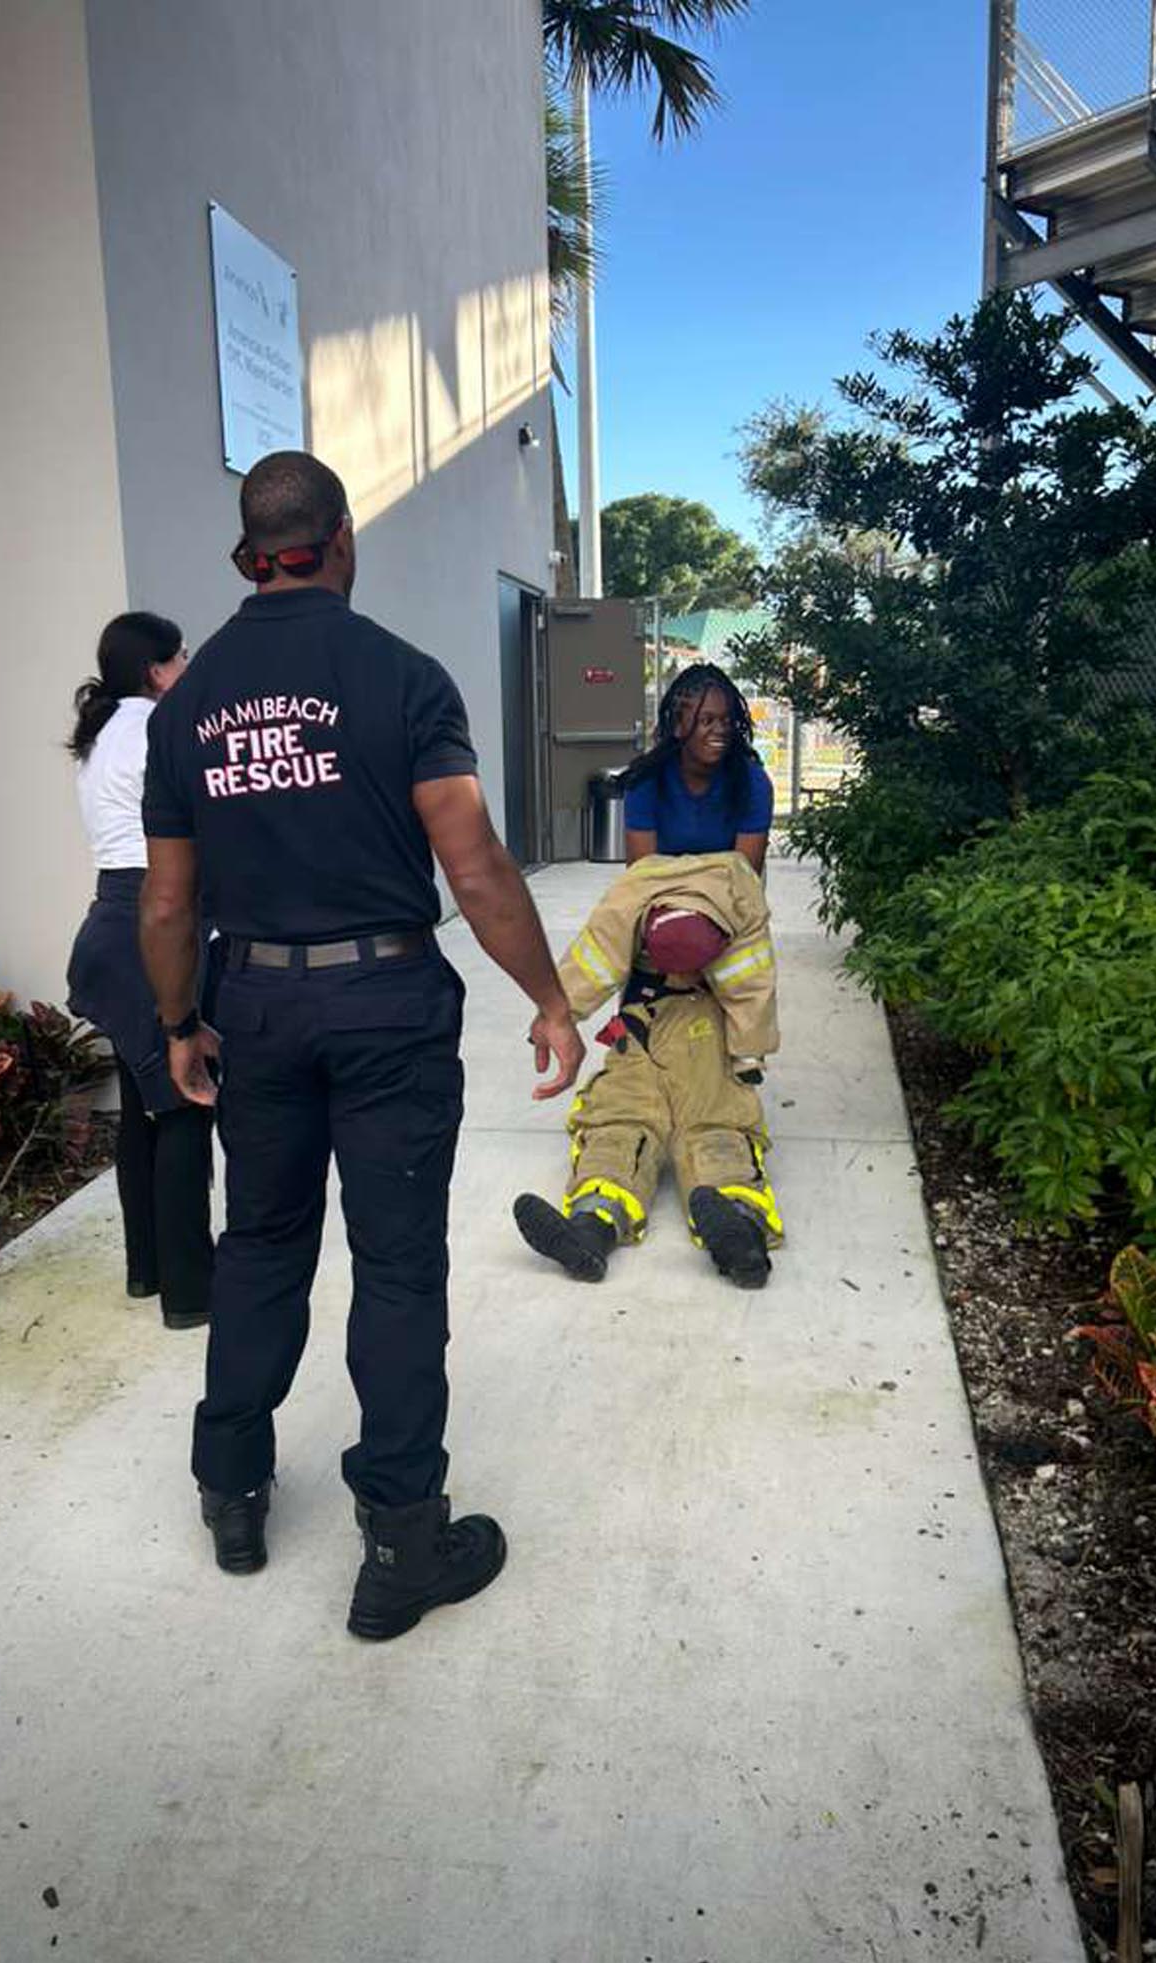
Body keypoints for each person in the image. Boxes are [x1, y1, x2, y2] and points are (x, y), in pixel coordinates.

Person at [138, 449, 585, 1642]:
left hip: (258, 1011)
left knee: (260, 1247)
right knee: (395, 1266)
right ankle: (400, 1538)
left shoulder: (186, 711)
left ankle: (232, 1489)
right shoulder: (403, 679)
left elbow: (169, 904)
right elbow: (477, 867)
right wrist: (547, 998)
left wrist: (181, 1023)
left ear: (249, 557)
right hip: (384, 1006)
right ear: (340, 542)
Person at [513, 851, 783, 1287]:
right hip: (653, 1033)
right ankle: (590, 1231)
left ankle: (737, 1234)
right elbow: (596, 960)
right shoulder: (635, 899)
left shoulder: (733, 897)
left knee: (707, 1130)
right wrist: (555, 1016)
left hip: (670, 1032)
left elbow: (750, 982)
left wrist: (556, 1013)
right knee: (628, 1128)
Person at [65, 613, 214, 1330]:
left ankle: (147, 1271)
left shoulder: (101, 736)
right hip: (151, 922)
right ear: (156, 670)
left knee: (143, 1106)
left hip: (109, 922)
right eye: (181, 656)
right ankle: (192, 1294)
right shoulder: (158, 729)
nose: (187, 667)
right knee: (188, 1099)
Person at [622, 663, 774, 869]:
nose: (719, 729)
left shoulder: (753, 783)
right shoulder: (646, 781)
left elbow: (745, 877)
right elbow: (643, 875)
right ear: (678, 725)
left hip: (729, 890)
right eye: (707, 720)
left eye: (726, 720)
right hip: (661, 889)